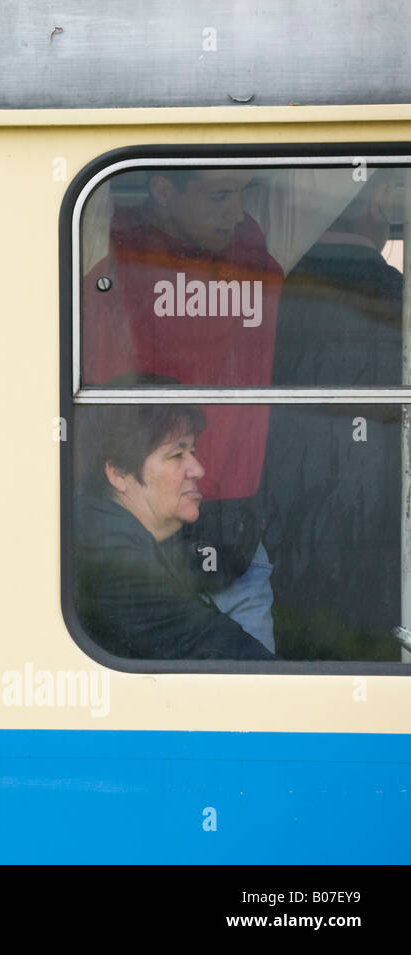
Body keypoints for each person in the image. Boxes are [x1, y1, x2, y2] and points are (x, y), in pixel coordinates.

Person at [81, 169, 283, 652]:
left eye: (241, 193)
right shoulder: (263, 273)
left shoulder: (101, 276)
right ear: (163, 189)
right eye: (219, 194)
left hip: (179, 520)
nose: (236, 211)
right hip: (204, 526)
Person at [264, 172, 405, 659]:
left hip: (283, 506)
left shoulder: (273, 287)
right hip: (377, 510)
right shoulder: (395, 294)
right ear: (380, 201)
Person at [73, 397, 276, 660]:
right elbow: (235, 660)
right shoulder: (108, 551)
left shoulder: (107, 530)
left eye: (192, 452)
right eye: (176, 455)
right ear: (119, 473)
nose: (198, 470)